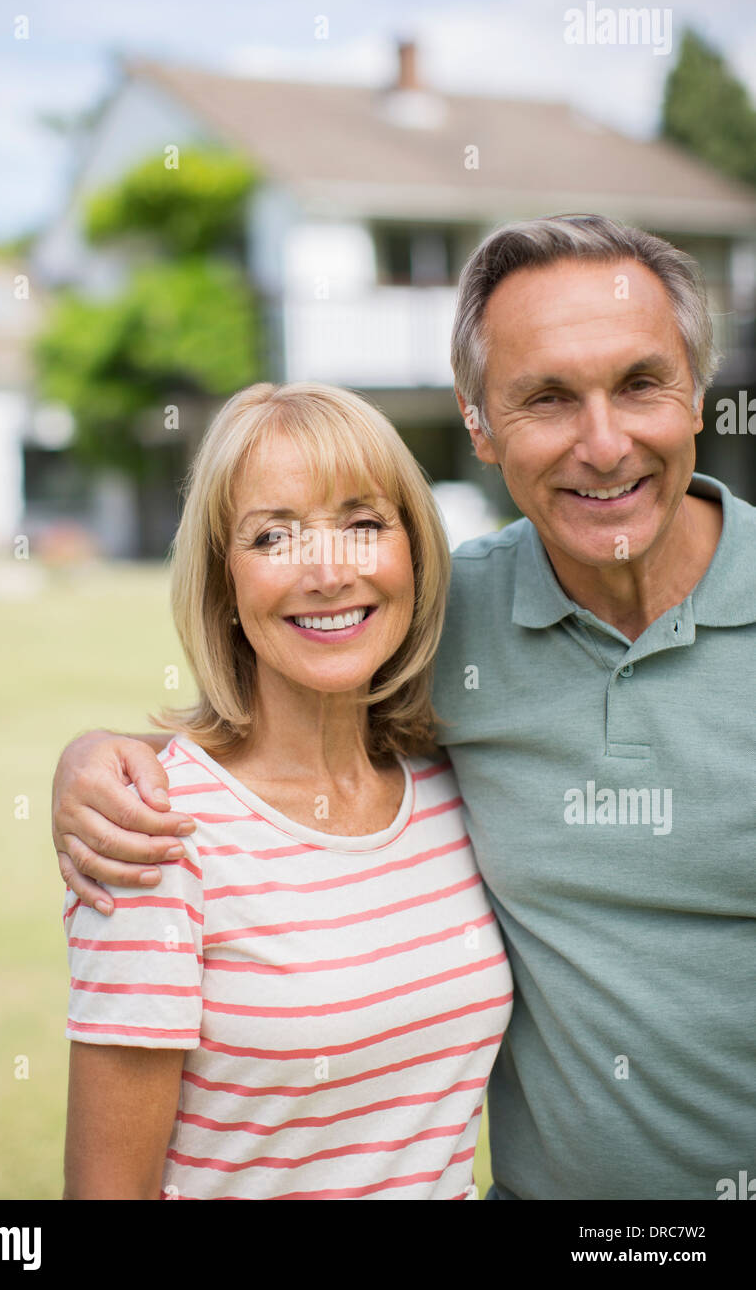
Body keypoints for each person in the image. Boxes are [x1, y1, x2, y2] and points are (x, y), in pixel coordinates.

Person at [55, 215, 756, 1200]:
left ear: (695, 394)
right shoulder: (435, 622)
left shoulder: (423, 716)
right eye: (547, 397)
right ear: (477, 424)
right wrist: (95, 758)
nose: (603, 443)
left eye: (639, 382)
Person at [62, 379, 513, 1200]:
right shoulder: (153, 833)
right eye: (274, 536)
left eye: (363, 524)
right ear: (224, 586)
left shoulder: (454, 787)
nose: (327, 572)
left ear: (414, 554)